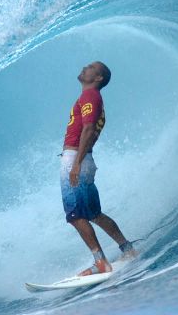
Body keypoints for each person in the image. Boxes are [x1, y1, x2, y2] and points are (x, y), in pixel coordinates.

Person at [60, 61, 137, 276]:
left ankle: (100, 262)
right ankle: (127, 249)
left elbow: (88, 129)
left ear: (98, 78)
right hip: (84, 159)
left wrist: (75, 164)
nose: (84, 67)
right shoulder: (92, 97)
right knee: (93, 213)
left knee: (75, 216)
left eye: (91, 67)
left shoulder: (90, 96)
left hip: (77, 157)